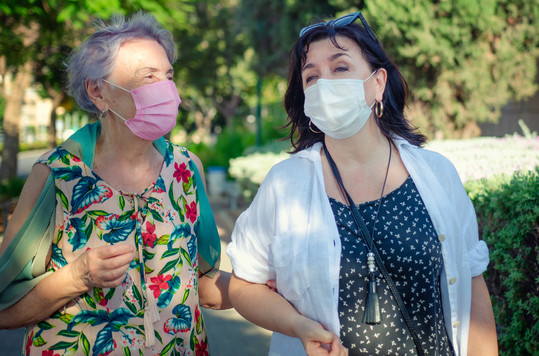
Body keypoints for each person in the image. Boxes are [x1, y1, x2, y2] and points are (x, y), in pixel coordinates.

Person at [227, 11, 498, 356]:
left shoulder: (437, 174)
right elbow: (245, 284)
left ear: (377, 83)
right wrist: (298, 325)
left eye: (340, 68)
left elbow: (472, 285)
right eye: (311, 77)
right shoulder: (285, 184)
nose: (325, 84)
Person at [0, 12, 231, 355]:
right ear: (99, 92)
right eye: (147, 76)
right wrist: (77, 276)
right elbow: (5, 308)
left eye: (168, 75)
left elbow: (201, 283)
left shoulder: (186, 169)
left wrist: (263, 288)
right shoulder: (57, 175)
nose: (167, 89)